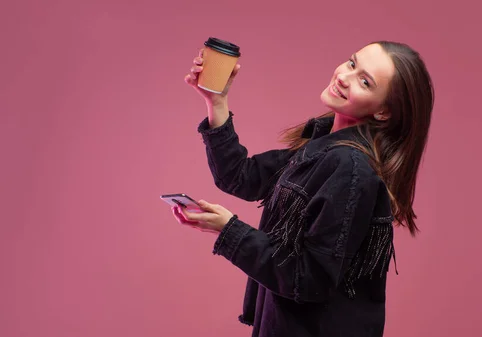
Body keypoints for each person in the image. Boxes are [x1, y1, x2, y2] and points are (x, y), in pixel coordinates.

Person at [171, 40, 434, 337]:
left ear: (384, 112)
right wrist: (216, 101)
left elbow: (309, 278)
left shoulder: (349, 166)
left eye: (365, 81)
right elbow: (241, 176)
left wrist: (228, 229)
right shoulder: (324, 145)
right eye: (351, 63)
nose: (344, 77)